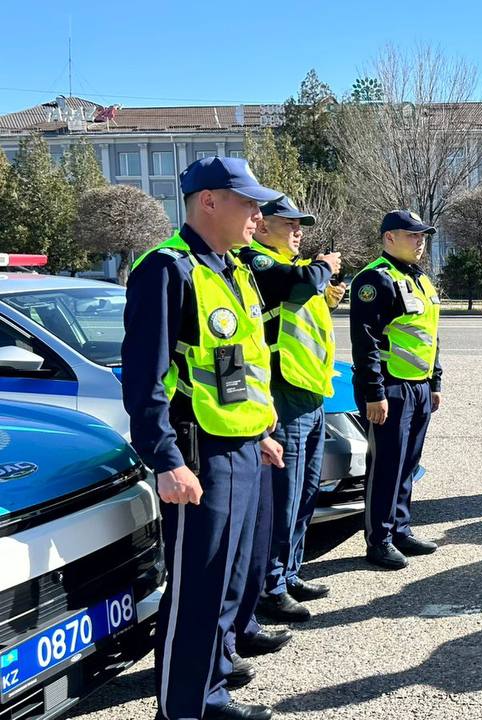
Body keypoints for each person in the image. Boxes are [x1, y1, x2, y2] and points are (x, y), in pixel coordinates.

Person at [122, 156, 285, 720]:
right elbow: (145, 378)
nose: (258, 215)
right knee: (198, 588)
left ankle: (212, 685)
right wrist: (165, 459)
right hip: (197, 452)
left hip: (239, 446)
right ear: (209, 201)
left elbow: (235, 363)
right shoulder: (167, 270)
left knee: (230, 581)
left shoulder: (231, 269)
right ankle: (185, 707)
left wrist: (259, 429)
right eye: (249, 202)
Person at [239, 196, 345, 620]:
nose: (298, 231)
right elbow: (296, 287)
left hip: (311, 393)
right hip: (283, 394)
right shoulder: (257, 260)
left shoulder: (295, 270)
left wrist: (328, 292)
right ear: (262, 226)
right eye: (290, 224)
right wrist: (324, 268)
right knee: (283, 498)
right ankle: (270, 585)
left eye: (301, 225)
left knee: (304, 494)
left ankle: (290, 570)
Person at [349, 211, 443, 570]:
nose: (420, 241)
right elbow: (366, 340)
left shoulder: (418, 278)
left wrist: (435, 381)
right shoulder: (375, 279)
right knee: (386, 466)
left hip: (417, 386)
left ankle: (401, 529)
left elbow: (430, 335)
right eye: (412, 235)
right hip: (389, 387)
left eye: (423, 236)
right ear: (389, 238)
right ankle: (380, 539)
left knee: (407, 463)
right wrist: (374, 393)